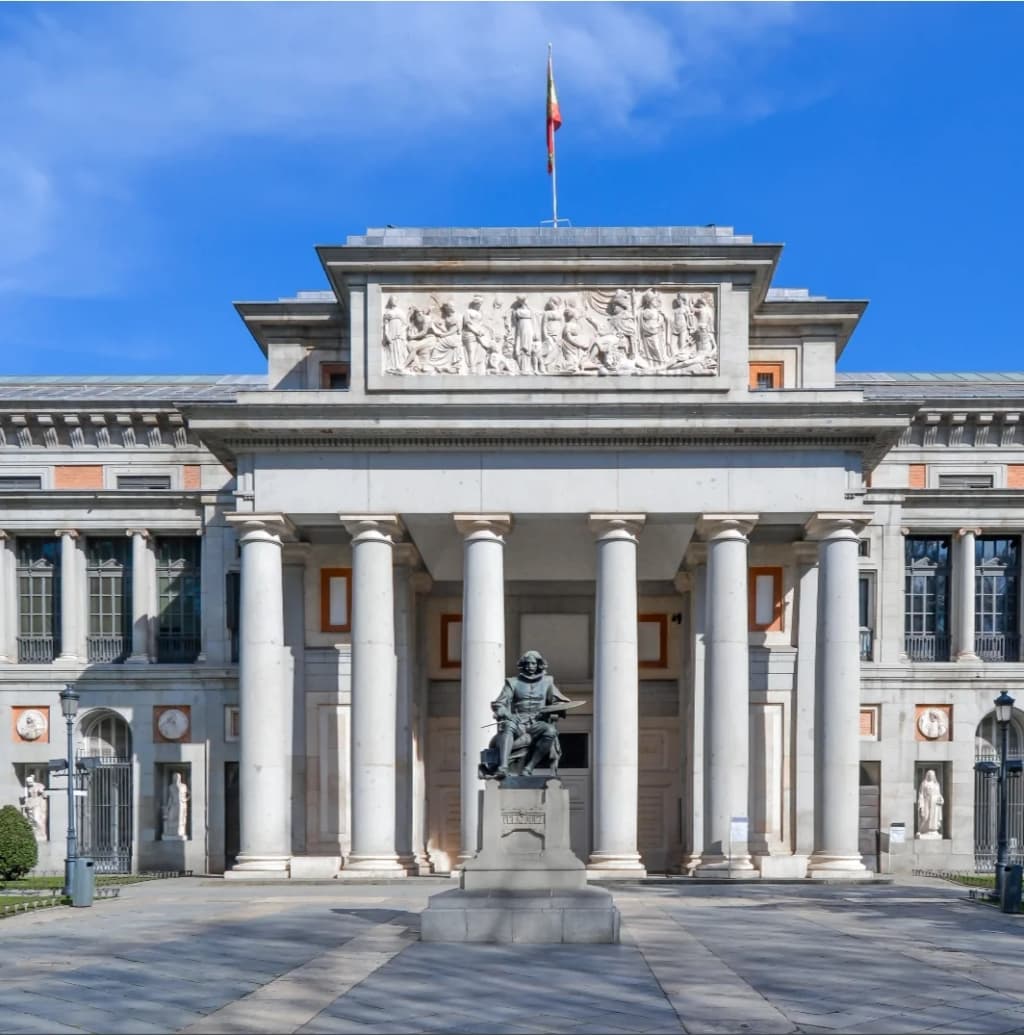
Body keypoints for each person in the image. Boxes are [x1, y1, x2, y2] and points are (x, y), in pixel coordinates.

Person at [480, 651, 573, 779]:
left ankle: (529, 767)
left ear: (539, 665)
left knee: (550, 731)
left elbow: (558, 701)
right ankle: (503, 767)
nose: (530, 666)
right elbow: (499, 703)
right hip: (518, 721)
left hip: (537, 723)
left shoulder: (547, 682)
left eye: (533, 663)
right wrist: (506, 713)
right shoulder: (512, 682)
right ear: (523, 665)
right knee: (508, 726)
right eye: (528, 663)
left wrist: (557, 708)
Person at [917, 769, 944, 838]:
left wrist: (941, 798)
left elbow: (938, 794)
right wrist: (921, 804)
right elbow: (921, 794)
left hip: (935, 803)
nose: (931, 776)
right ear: (927, 775)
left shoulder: (936, 784)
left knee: (934, 816)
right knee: (925, 816)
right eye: (929, 775)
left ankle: (933, 830)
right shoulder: (924, 783)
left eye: (932, 775)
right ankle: (923, 830)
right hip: (927, 801)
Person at [20, 773, 47, 841]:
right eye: (28, 783)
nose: (29, 784)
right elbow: (29, 796)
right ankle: (35, 833)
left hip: (38, 803)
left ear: (33, 781)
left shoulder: (40, 786)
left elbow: (45, 796)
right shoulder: (30, 787)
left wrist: (42, 792)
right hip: (31, 803)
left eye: (30, 782)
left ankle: (42, 833)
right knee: (31, 819)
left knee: (37, 819)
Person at [163, 771, 190, 840]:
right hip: (173, 804)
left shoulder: (183, 786)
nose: (176, 778)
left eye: (177, 777)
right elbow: (170, 797)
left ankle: (179, 832)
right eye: (174, 777)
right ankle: (171, 832)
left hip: (181, 804)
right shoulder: (171, 786)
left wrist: (185, 799)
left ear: (179, 778)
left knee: (180, 818)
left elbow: (189, 793)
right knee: (171, 817)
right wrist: (168, 806)